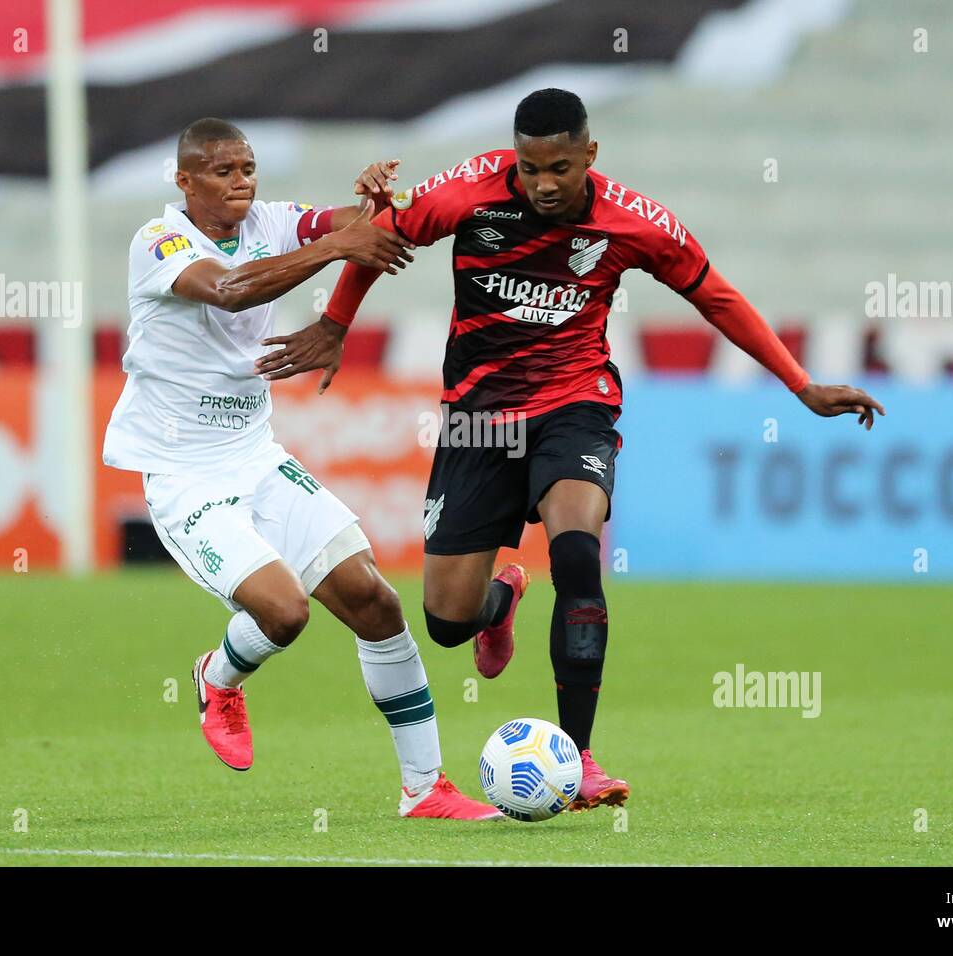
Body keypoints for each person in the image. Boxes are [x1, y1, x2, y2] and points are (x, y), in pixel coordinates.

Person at [253, 90, 885, 811]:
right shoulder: (467, 191)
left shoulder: (635, 222)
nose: (543, 183)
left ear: (590, 155)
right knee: (446, 624)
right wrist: (335, 323)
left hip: (574, 406)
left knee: (580, 554)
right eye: (529, 168)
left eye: (559, 167)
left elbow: (716, 297)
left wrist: (799, 385)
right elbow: (375, 236)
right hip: (477, 420)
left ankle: (579, 755)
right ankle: (501, 599)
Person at [102, 117, 502, 820]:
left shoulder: (275, 221)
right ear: (183, 180)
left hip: (255, 456)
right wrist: (338, 243)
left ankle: (425, 789)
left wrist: (378, 201)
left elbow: (367, 224)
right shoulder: (158, 240)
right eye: (222, 171)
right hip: (184, 473)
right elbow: (229, 290)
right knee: (284, 613)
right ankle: (217, 676)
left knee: (376, 602)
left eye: (248, 168)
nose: (240, 182)